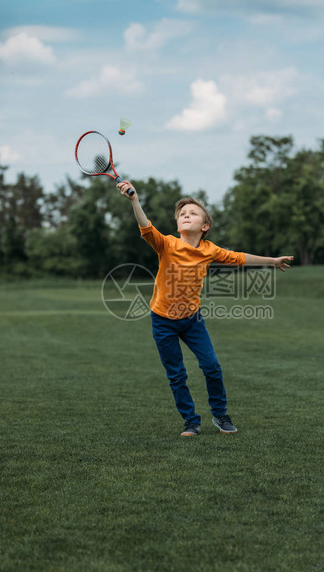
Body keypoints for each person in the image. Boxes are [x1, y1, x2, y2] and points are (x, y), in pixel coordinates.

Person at [117, 180, 294, 437]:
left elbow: (241, 258)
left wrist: (272, 261)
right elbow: (146, 227)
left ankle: (220, 415)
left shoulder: (210, 250)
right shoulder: (166, 244)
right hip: (162, 320)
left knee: (212, 366)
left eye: (193, 213)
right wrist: (135, 200)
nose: (186, 216)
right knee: (177, 376)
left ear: (205, 226)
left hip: (192, 321)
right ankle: (191, 422)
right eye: (182, 214)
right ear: (178, 225)